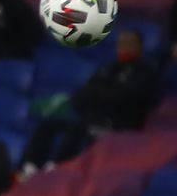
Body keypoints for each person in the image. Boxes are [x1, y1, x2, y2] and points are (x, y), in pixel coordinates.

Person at [21, 30, 159, 174]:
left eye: (129, 44)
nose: (124, 47)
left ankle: (57, 168)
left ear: (139, 47)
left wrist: (99, 96)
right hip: (93, 116)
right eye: (121, 43)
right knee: (48, 124)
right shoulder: (109, 68)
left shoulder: (145, 74)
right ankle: (29, 167)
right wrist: (99, 97)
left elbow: (124, 99)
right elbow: (84, 92)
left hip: (118, 124)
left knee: (78, 129)